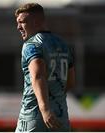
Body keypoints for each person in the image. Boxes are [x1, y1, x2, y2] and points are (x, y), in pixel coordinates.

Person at [14, 3, 75, 132]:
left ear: (36, 22)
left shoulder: (32, 44)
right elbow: (70, 81)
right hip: (61, 116)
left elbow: (38, 75)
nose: (18, 27)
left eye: (22, 22)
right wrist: (55, 98)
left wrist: (45, 109)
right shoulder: (63, 44)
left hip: (34, 116)